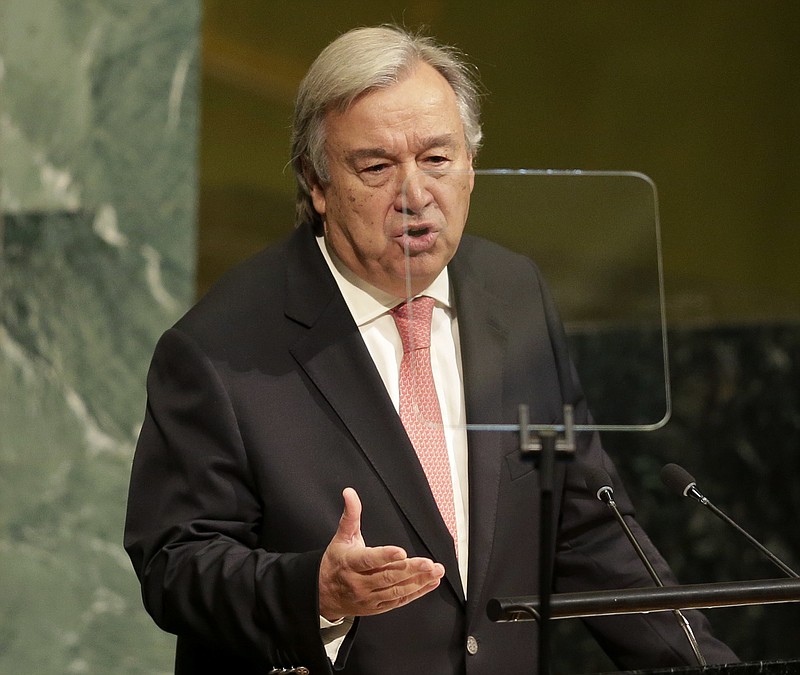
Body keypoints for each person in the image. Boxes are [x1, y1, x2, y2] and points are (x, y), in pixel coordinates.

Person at [124, 25, 737, 674]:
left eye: (438, 159)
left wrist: (707, 664)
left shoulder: (514, 293)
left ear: (472, 167)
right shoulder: (220, 348)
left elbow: (584, 523)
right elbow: (175, 562)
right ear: (317, 182)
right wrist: (316, 590)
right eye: (378, 166)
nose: (415, 196)